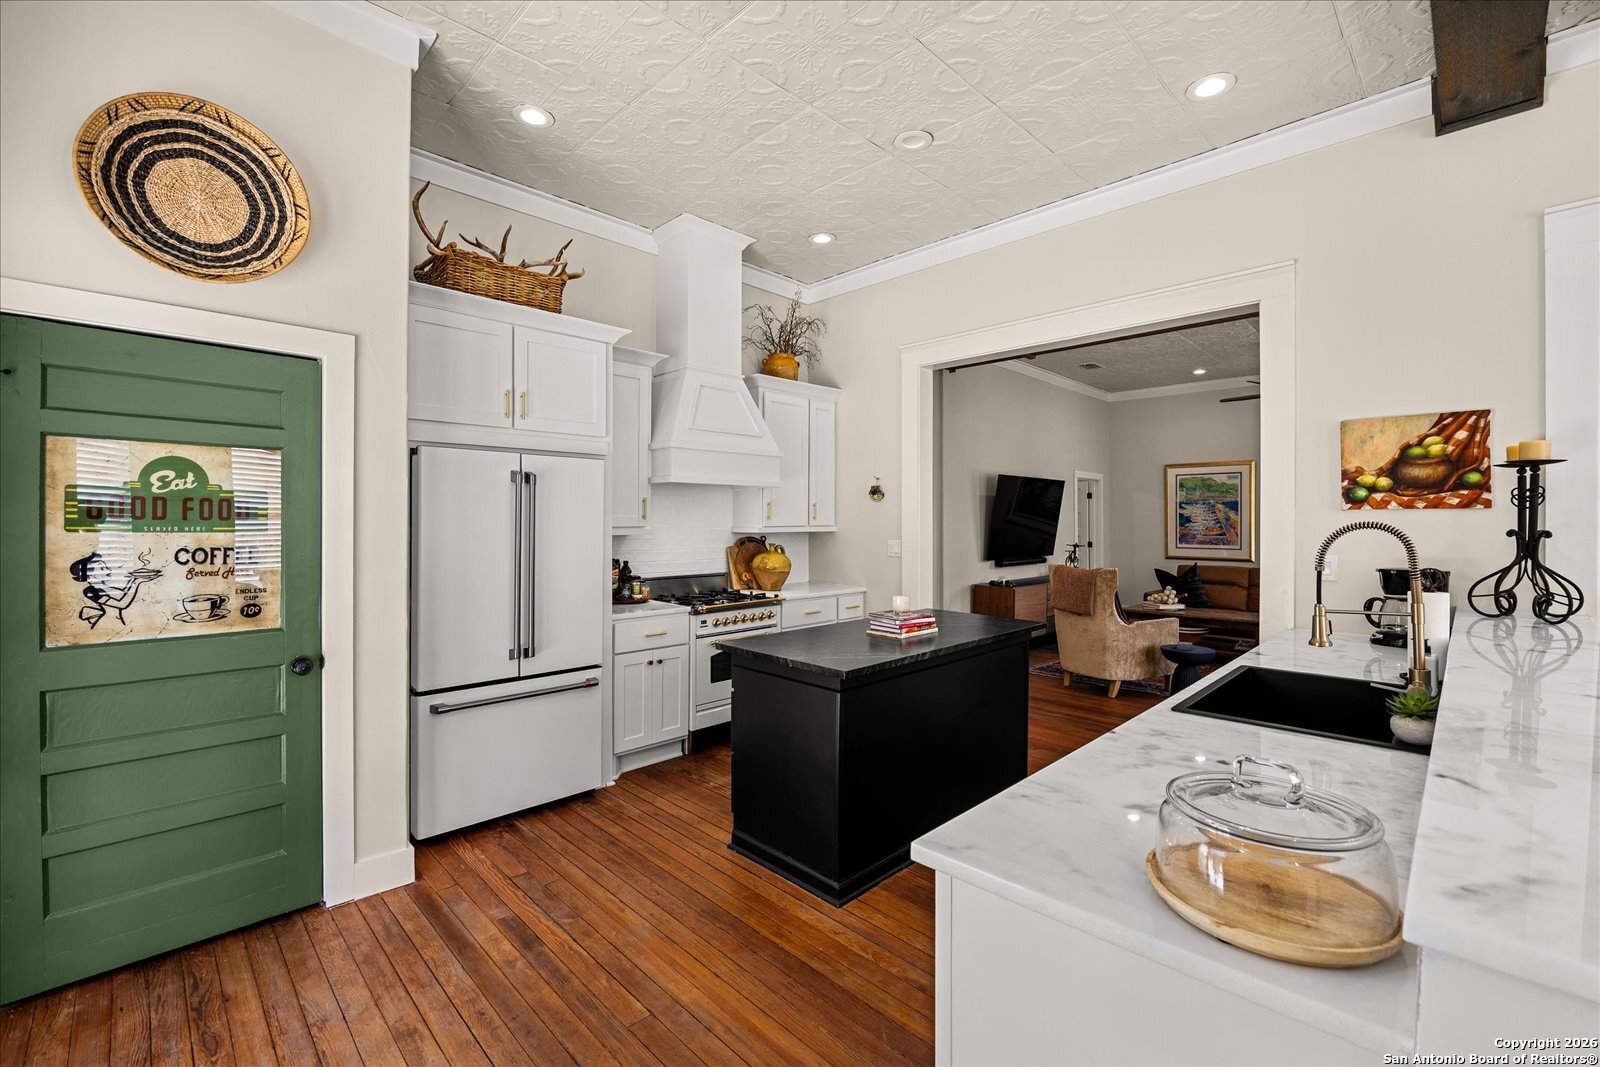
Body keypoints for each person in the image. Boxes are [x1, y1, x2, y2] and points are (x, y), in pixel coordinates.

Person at [68, 552, 156, 629]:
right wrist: (136, 581)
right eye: (102, 568)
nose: (108, 570)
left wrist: (134, 577)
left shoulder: (105, 587)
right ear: (91, 576)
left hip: (116, 621)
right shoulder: (92, 591)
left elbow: (122, 594)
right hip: (107, 624)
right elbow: (121, 604)